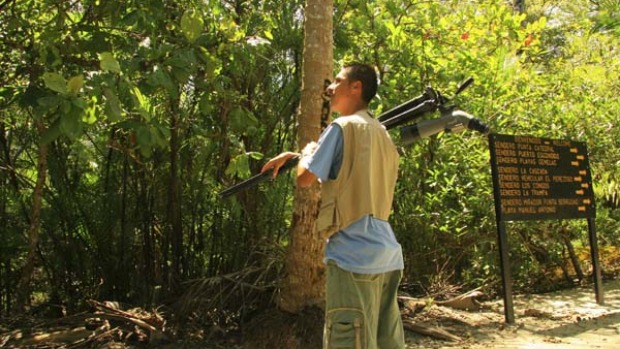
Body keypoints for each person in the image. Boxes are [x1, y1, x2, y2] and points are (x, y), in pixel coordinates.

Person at [261, 63, 405, 349]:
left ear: (356, 87)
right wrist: (301, 154)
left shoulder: (342, 127)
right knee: (384, 341)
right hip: (387, 257)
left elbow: (304, 178)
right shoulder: (382, 133)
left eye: (338, 81)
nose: (330, 88)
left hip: (353, 257)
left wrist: (306, 151)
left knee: (348, 339)